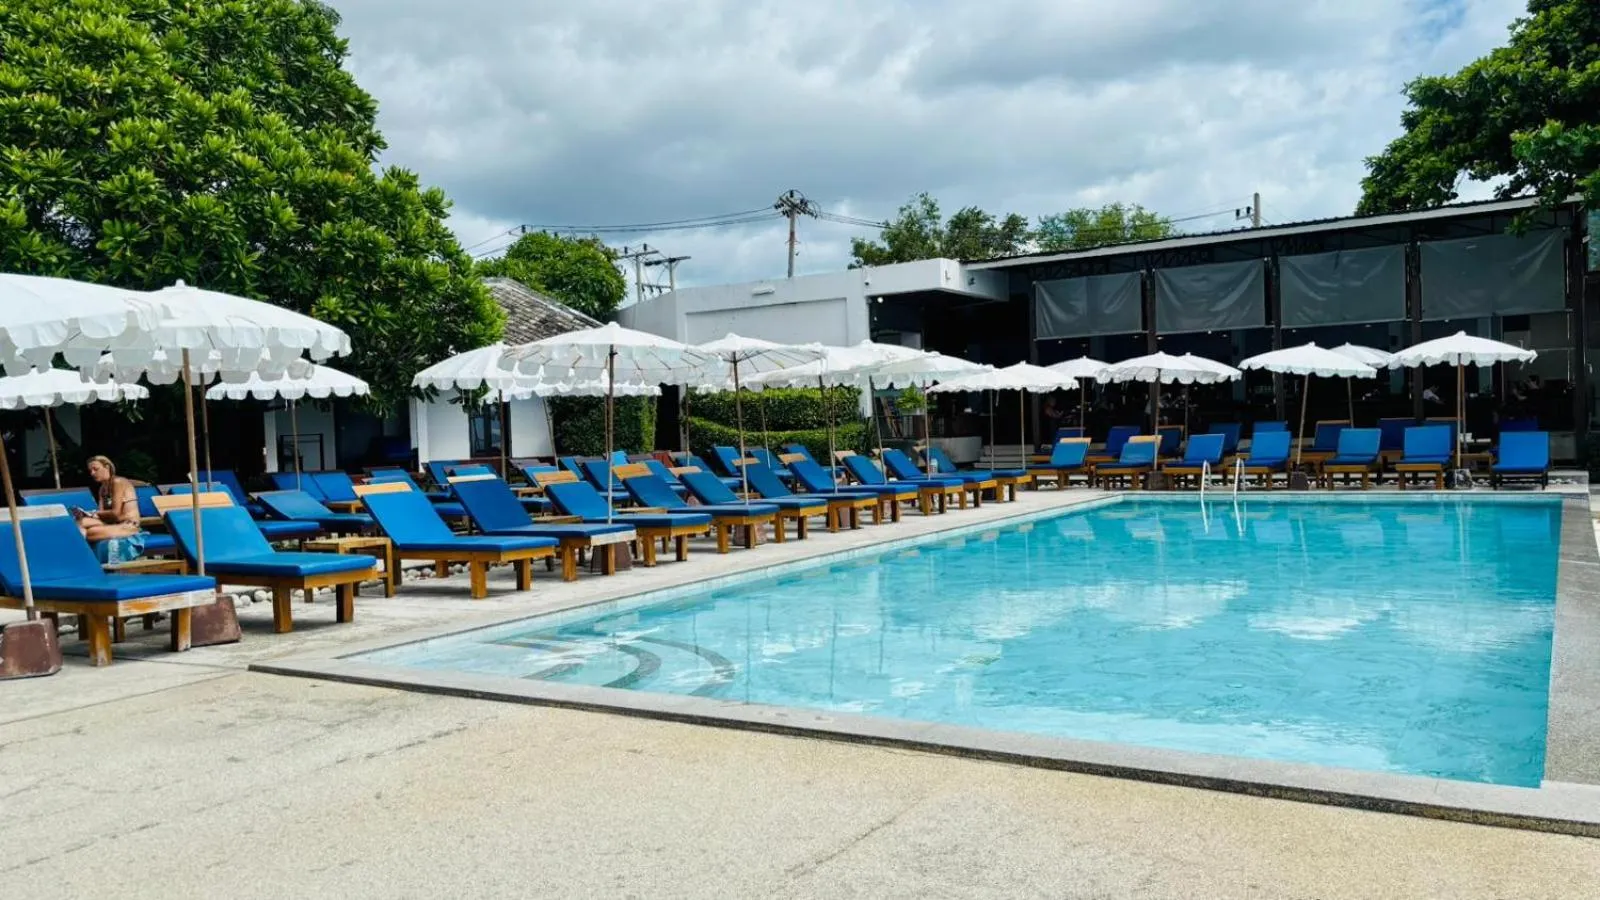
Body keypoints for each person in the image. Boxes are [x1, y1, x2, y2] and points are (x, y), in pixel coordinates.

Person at [76, 455, 146, 564]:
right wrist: (88, 515)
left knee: (87, 532)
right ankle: (81, 560)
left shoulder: (118, 482)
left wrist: (94, 514)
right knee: (80, 522)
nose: (92, 473)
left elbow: (116, 514)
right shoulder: (102, 489)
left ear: (107, 467)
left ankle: (81, 560)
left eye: (95, 469)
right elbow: (103, 515)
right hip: (112, 524)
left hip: (128, 525)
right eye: (90, 471)